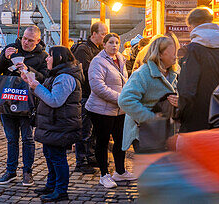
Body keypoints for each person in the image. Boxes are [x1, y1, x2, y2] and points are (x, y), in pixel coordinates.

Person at [23, 46, 83, 202]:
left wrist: (37, 86)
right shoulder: (57, 74)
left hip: (60, 124)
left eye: (50, 56)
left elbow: (55, 100)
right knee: (50, 155)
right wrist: (32, 84)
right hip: (53, 123)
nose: (46, 59)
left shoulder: (65, 77)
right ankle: (51, 185)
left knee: (58, 157)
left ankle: (61, 190)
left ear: (60, 58)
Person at [0, 25, 48, 186]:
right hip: (8, 99)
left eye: (30, 40)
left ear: (37, 41)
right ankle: (10, 171)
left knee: (27, 138)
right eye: (24, 38)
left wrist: (28, 70)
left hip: (27, 101)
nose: (26, 42)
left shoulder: (42, 56)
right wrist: (5, 58)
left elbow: (44, 77)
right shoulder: (12, 48)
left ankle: (27, 172)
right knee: (11, 138)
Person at [175, 7, 219, 133]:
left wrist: (180, 116)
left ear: (191, 27)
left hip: (197, 123)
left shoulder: (191, 51)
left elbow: (187, 90)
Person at [85, 32, 131, 189]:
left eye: (117, 42)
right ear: (103, 45)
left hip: (120, 110)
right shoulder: (98, 62)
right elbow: (97, 86)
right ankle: (104, 174)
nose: (114, 45)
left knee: (121, 141)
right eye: (110, 42)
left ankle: (120, 171)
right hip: (101, 109)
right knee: (102, 142)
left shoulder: (121, 59)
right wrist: (120, 98)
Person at [120, 34, 179, 153]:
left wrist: (179, 102)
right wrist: (150, 119)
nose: (176, 55)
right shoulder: (143, 73)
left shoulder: (173, 74)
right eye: (173, 51)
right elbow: (125, 100)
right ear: (161, 54)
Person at [70, 21, 106, 173]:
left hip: (94, 95)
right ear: (94, 34)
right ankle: (81, 161)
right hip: (85, 95)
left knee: (92, 130)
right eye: (103, 34)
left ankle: (90, 157)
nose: (104, 37)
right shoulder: (83, 49)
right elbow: (87, 72)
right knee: (84, 129)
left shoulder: (97, 49)